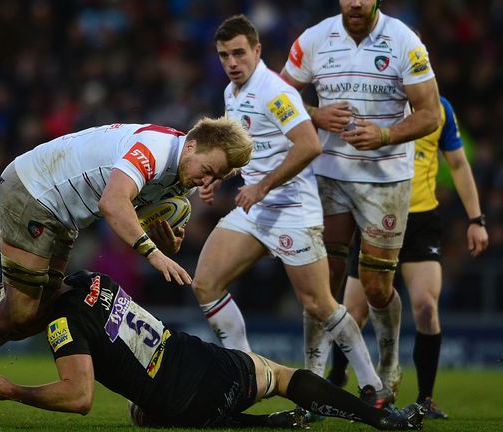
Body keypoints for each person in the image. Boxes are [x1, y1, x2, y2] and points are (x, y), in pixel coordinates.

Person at [0, 117, 253, 426]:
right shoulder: (156, 150)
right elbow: (113, 203)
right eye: (209, 169)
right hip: (33, 192)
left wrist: (168, 245)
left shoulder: (182, 182)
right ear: (191, 145)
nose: (207, 181)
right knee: (20, 312)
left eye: (217, 177)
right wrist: (153, 254)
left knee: (33, 315)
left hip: (63, 215)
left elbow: (161, 232)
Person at [191, 15, 390, 409]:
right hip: (255, 210)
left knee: (319, 304)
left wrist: (263, 186)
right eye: (224, 55)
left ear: (257, 50)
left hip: (292, 210)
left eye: (239, 53)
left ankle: (373, 385)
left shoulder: (275, 91)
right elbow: (250, 152)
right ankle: (244, 374)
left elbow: (309, 144)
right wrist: (220, 175)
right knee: (205, 284)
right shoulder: (233, 92)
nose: (232, 62)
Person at [0, 270, 424, 430]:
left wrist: (15, 391)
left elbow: (79, 397)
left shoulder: (61, 325)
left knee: (144, 413)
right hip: (203, 366)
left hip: (178, 407)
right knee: (282, 377)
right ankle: (381, 418)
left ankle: (267, 425)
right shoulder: (94, 280)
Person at [280, 0, 442, 397]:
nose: (355, 2)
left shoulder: (404, 41)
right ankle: (313, 380)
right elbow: (278, 95)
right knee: (323, 283)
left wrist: (384, 135)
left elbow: (431, 113)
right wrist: (316, 116)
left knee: (375, 288)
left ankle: (388, 366)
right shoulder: (315, 38)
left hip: (385, 182)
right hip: (330, 176)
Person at [327, 96, 488, 419]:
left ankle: (425, 398)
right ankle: (334, 383)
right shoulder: (376, 100)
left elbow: (457, 162)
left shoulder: (440, 108)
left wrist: (476, 219)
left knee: (427, 307)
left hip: (420, 221)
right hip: (376, 216)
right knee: (353, 312)